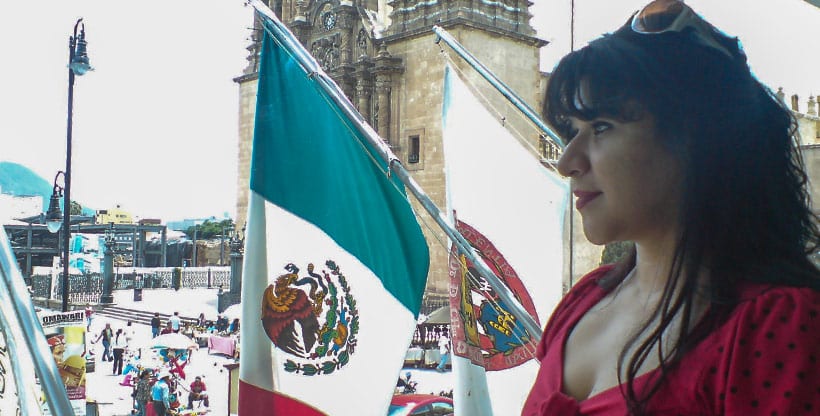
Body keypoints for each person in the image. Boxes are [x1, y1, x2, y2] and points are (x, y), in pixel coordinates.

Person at [522, 1, 820, 415]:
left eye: (601, 128)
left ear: (693, 142)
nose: (567, 161)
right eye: (573, 131)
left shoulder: (776, 327)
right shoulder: (583, 300)